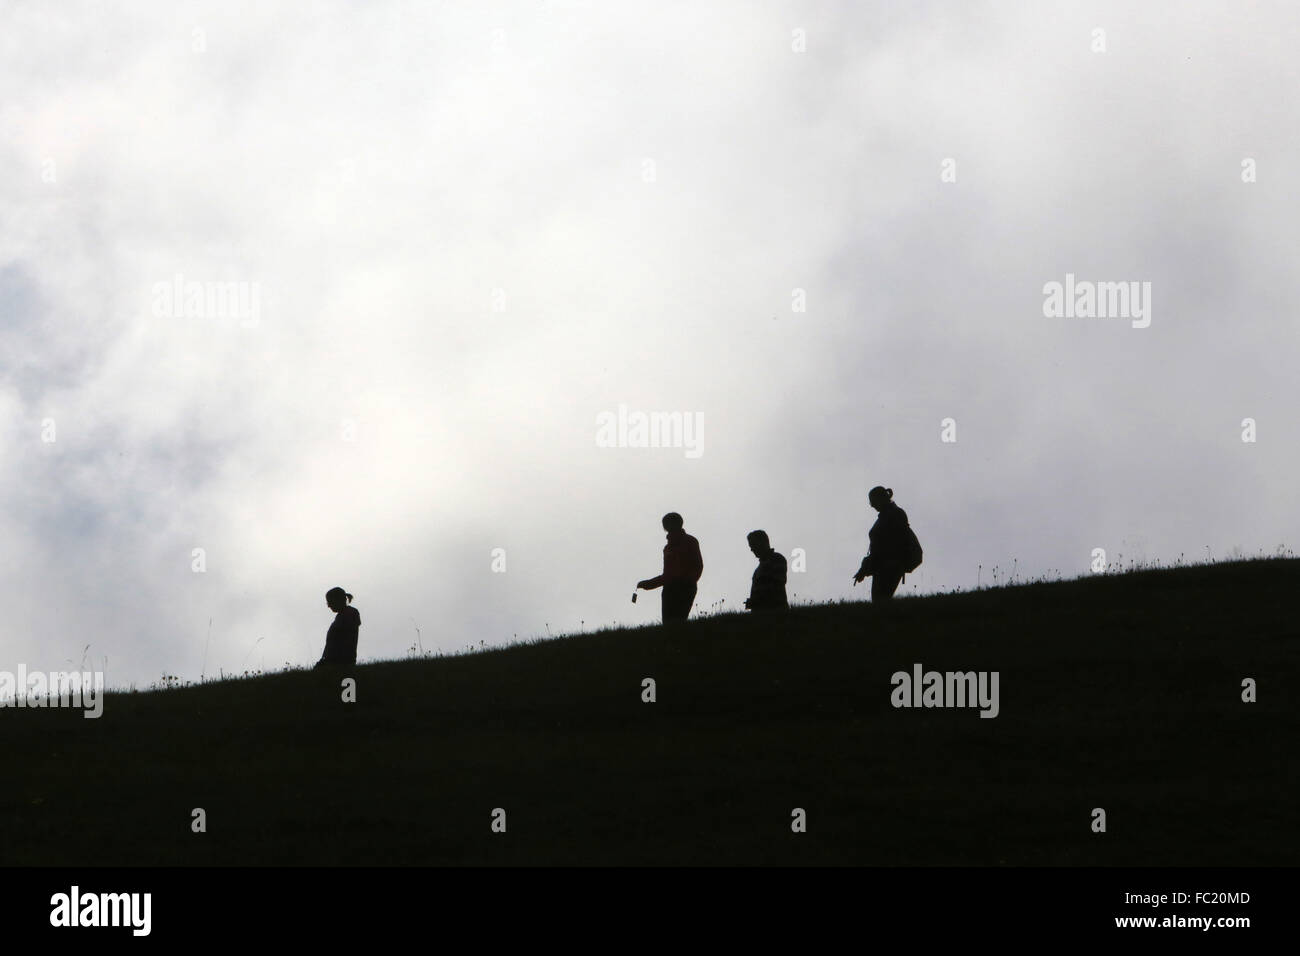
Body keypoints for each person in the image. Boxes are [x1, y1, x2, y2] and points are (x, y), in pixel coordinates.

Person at [636, 512, 703, 623]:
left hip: (685, 587)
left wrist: (688, 582)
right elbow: (667, 575)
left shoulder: (690, 541)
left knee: (678, 622)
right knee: (669, 625)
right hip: (670, 589)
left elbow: (697, 565)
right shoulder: (667, 548)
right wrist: (648, 584)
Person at [852, 486, 911, 602]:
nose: (872, 505)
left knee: (880, 603)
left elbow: (885, 547)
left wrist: (866, 567)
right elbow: (878, 549)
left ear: (880, 499)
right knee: (880, 603)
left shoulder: (893, 514)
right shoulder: (889, 515)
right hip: (883, 566)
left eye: (872, 501)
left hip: (890, 565)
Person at [315, 587, 361, 668]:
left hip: (340, 662)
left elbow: (343, 640)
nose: (328, 605)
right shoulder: (344, 615)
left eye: (330, 602)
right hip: (334, 661)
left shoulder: (350, 613)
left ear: (338, 600)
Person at [744, 530, 788, 611]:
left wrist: (757, 600)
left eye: (753, 545)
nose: (751, 549)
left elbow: (777, 584)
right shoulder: (757, 571)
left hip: (777, 613)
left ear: (761, 543)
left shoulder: (777, 559)